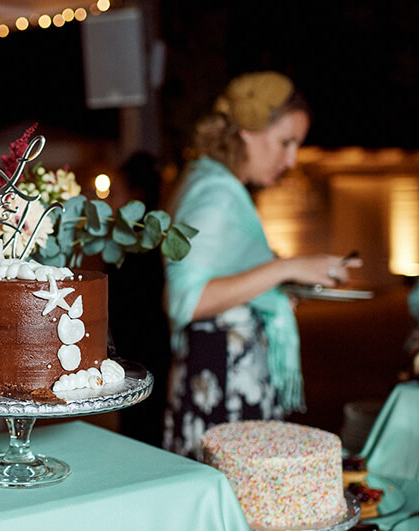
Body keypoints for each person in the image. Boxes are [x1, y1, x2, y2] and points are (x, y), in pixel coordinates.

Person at [161, 71, 363, 459]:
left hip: (228, 376)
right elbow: (185, 300)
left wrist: (289, 280)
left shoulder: (216, 182)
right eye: (286, 142)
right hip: (222, 387)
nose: (291, 159)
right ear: (248, 132)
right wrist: (285, 269)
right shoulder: (215, 192)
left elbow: (227, 279)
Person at [108, 151, 171, 447]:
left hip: (139, 345)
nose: (109, 201)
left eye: (115, 193)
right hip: (147, 342)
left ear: (136, 196)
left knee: (139, 419)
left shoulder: (134, 241)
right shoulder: (148, 237)